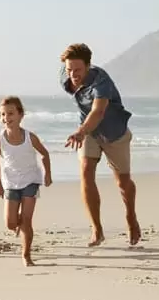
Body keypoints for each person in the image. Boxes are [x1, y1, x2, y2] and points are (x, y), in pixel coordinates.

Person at [58, 43, 141, 247]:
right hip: (90, 133)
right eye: (69, 69)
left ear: (88, 66)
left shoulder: (101, 82)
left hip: (114, 133)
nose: (73, 74)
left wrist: (79, 132)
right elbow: (87, 112)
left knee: (123, 183)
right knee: (86, 172)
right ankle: (97, 228)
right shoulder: (65, 75)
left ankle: (131, 217)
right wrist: (83, 131)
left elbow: (98, 112)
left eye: (77, 70)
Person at [0, 96, 52, 267]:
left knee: (26, 220)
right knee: (11, 223)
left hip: (31, 180)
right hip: (10, 182)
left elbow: (45, 154)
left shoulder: (30, 137)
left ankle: (26, 255)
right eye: (3, 114)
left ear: (20, 115)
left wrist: (48, 174)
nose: (6, 118)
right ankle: (19, 227)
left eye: (10, 114)